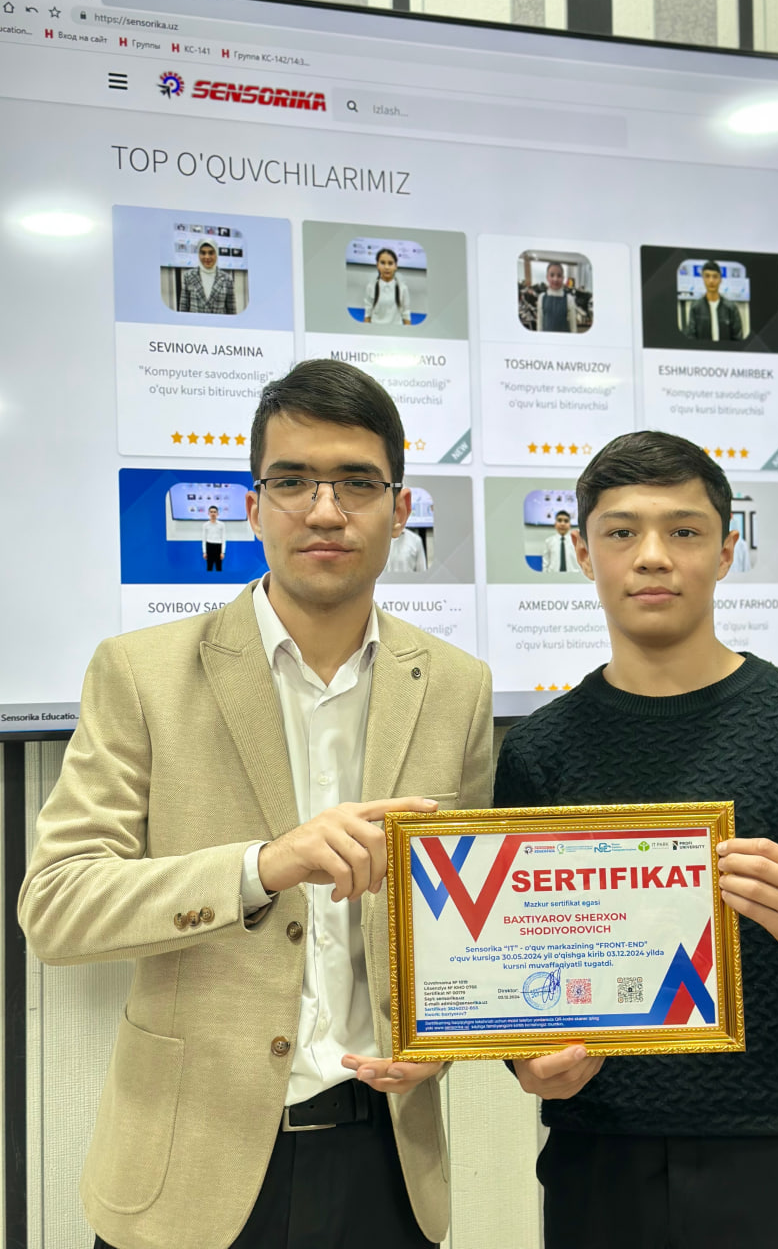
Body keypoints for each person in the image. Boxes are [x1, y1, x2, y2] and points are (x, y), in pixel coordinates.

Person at [19, 359, 493, 1249]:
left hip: (386, 1164)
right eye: (293, 481)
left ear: (399, 508)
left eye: (356, 483)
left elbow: (463, 921)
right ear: (253, 506)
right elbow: (57, 907)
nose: (325, 510)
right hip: (188, 1167)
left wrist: (445, 1042)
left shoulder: (457, 687)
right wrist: (262, 867)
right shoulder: (142, 672)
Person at [493, 429, 778, 1249]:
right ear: (583, 553)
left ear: (728, 551)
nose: (652, 556)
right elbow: (510, 974)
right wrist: (523, 1060)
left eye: (684, 531)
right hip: (596, 1166)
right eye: (621, 532)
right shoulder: (538, 752)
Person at [682, 259, 743, 342]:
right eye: (707, 276)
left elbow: (738, 339)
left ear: (720, 279)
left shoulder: (731, 308)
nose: (711, 281)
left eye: (715, 276)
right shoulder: (695, 307)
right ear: (703, 279)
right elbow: (691, 337)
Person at [178, 240, 237, 314]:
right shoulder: (188, 276)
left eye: (211, 253)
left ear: (216, 254)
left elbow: (232, 311)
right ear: (199, 254)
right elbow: (183, 309)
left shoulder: (227, 279)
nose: (207, 257)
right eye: (203, 253)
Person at [363, 247, 412, 326]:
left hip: (396, 330)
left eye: (390, 263)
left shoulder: (402, 288)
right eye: (382, 263)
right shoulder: (371, 287)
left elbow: (406, 313)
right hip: (375, 329)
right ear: (377, 265)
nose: (386, 267)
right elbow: (367, 314)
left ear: (396, 266)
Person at [536, 262, 578, 333]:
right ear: (547, 277)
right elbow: (539, 324)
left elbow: (573, 327)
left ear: (563, 278)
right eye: (552, 275)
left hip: (564, 338)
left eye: (559, 275)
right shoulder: (542, 297)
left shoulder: (569, 299)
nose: (555, 279)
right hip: (546, 338)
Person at [201, 503, 226, 572]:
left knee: (219, 568)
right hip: (209, 546)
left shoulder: (222, 524)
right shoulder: (205, 525)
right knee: (209, 567)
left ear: (217, 513)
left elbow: (223, 539)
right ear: (208, 513)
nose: (213, 513)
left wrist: (222, 552)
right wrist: (204, 552)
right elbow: (204, 539)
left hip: (218, 547)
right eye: (211, 512)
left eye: (214, 512)